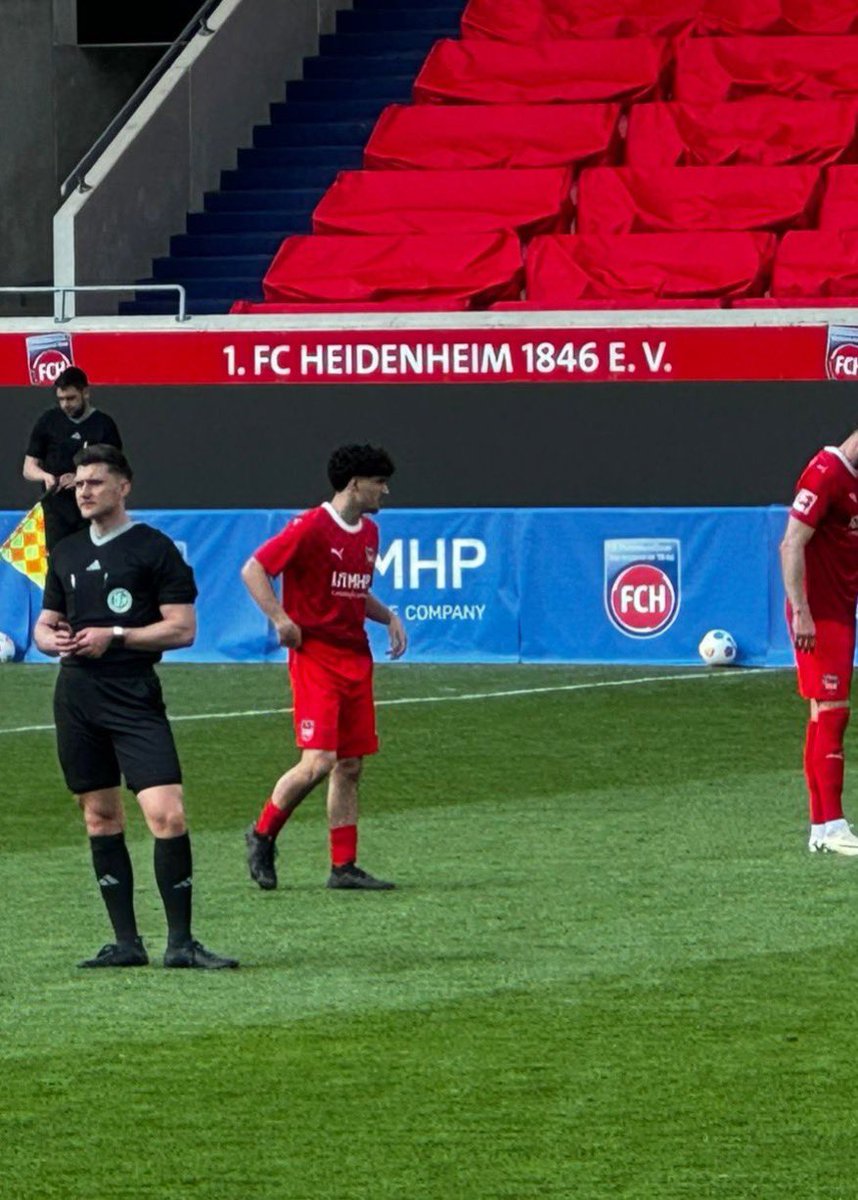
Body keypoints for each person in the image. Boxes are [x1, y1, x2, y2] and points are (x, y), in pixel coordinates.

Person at [33, 443, 238, 969]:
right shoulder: (67, 552)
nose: (83, 491)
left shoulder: (155, 548)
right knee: (100, 818)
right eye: (79, 483)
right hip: (76, 696)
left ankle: (182, 943)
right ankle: (127, 942)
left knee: (166, 815)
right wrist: (48, 639)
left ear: (124, 487)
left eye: (95, 482)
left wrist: (116, 635)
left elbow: (183, 629)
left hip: (132, 695)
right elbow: (45, 622)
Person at [242, 444, 407, 892]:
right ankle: (262, 834)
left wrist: (388, 616)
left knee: (350, 765)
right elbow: (254, 569)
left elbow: (353, 592)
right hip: (316, 658)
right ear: (355, 483)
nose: (385, 491)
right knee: (318, 761)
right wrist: (280, 618)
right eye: (379, 482)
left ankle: (343, 867)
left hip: (356, 658)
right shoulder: (311, 526)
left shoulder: (369, 533)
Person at [781, 429, 858, 856]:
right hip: (820, 615)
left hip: (839, 611)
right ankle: (833, 826)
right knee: (833, 713)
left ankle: (821, 827)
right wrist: (802, 610)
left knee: (821, 715)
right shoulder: (826, 473)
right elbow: (791, 543)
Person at [23, 367, 122, 553]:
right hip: (57, 510)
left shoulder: (103, 425)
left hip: (94, 508)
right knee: (57, 562)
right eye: (61, 399)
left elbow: (115, 470)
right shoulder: (48, 421)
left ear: (85, 393)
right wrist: (45, 476)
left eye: (71, 398)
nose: (65, 405)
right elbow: (29, 467)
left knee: (92, 560)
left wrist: (79, 478)